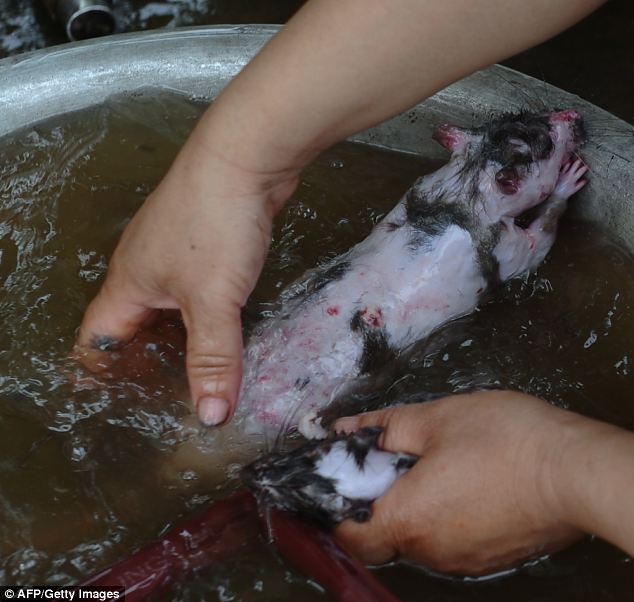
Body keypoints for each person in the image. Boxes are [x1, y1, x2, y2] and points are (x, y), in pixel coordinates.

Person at [74, 0, 630, 574]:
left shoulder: (431, 196)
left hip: (307, 350)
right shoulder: (496, 242)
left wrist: (552, 473)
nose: (566, 126)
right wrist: (233, 169)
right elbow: (531, 249)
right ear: (500, 174)